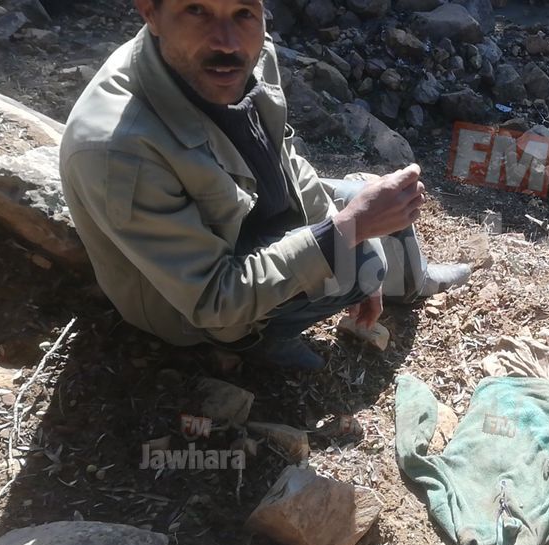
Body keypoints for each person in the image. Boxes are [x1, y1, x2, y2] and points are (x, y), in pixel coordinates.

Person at [59, 0, 471, 370]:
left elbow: (281, 154)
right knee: (365, 253)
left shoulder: (247, 54)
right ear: (150, 11)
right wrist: (348, 233)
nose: (226, 42)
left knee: (375, 200)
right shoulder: (119, 150)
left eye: (243, 12)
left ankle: (411, 281)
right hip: (195, 307)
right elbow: (213, 300)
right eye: (197, 11)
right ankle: (259, 339)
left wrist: (347, 226)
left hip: (245, 211)